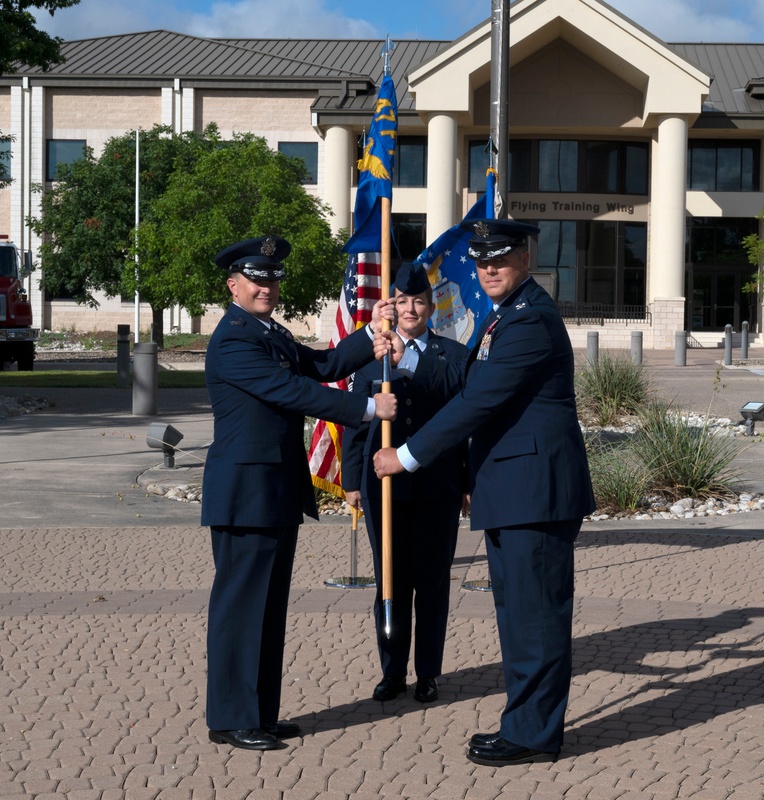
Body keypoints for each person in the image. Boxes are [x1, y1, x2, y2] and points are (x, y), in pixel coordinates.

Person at [372, 219, 595, 767]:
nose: (488, 269)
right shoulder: (505, 316)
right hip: (515, 491)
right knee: (519, 616)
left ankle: (534, 734)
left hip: (534, 494)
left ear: (524, 258)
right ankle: (525, 723)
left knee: (535, 618)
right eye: (481, 261)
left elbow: (477, 404)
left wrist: (403, 457)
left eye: (500, 258)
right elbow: (468, 388)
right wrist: (399, 352)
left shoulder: (529, 321)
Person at [201, 234, 398, 751]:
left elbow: (321, 366)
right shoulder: (235, 339)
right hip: (245, 492)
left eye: (272, 278)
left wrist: (369, 333)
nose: (267, 286)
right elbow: (292, 390)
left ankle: (259, 713)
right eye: (256, 278)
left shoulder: (269, 332)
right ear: (233, 284)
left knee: (267, 609)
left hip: (274, 490)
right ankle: (230, 718)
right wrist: (366, 410)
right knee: (241, 609)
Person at [341, 262, 468, 704]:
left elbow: (463, 412)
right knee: (390, 580)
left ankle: (428, 673)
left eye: (418, 301)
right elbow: (356, 419)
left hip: (437, 485)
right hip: (383, 487)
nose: (409, 308)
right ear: (389, 305)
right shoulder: (372, 354)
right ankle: (392, 671)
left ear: (431, 307)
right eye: (401, 300)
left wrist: (467, 480)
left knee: (432, 581)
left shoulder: (452, 354)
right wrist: (352, 479)